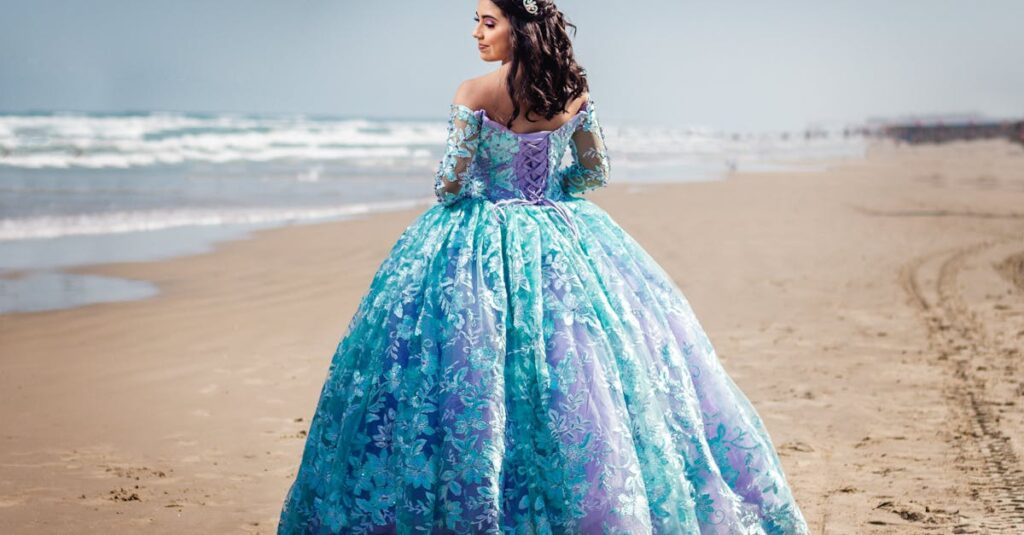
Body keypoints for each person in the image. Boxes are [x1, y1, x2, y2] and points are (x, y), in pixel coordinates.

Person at [276, 1, 811, 533]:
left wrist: (489, 192)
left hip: (475, 238)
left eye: (489, 22)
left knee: (462, 365)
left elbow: (450, 184)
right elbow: (595, 171)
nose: (476, 33)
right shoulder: (571, 94)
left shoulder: (473, 93)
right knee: (577, 365)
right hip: (562, 231)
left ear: (521, 27)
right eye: (477, 21)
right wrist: (554, 194)